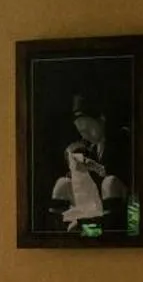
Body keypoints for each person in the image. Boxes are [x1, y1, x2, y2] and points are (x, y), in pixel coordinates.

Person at [48, 96, 126, 231]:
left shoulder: (122, 138)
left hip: (117, 195)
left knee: (110, 182)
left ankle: (105, 230)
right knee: (62, 184)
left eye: (89, 128)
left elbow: (123, 173)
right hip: (93, 198)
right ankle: (60, 230)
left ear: (101, 120)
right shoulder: (87, 147)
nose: (86, 135)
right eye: (82, 131)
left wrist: (94, 168)